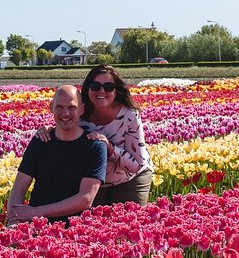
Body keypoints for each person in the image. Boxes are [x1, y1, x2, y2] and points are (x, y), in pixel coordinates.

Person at [36, 64, 154, 206]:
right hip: (93, 180)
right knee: (94, 222)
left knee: (129, 222)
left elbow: (136, 165)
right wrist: (49, 130)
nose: (101, 91)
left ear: (116, 91)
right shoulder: (80, 113)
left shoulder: (129, 115)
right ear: (88, 88)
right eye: (95, 86)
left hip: (130, 177)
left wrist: (110, 148)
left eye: (108, 87)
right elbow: (64, 127)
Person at [7, 85, 107, 225]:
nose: (65, 113)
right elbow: (19, 187)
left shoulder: (94, 146)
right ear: (51, 107)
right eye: (59, 107)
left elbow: (86, 198)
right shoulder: (41, 141)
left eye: (71, 107)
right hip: (37, 226)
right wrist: (14, 219)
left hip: (75, 229)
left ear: (81, 109)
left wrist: (35, 213)